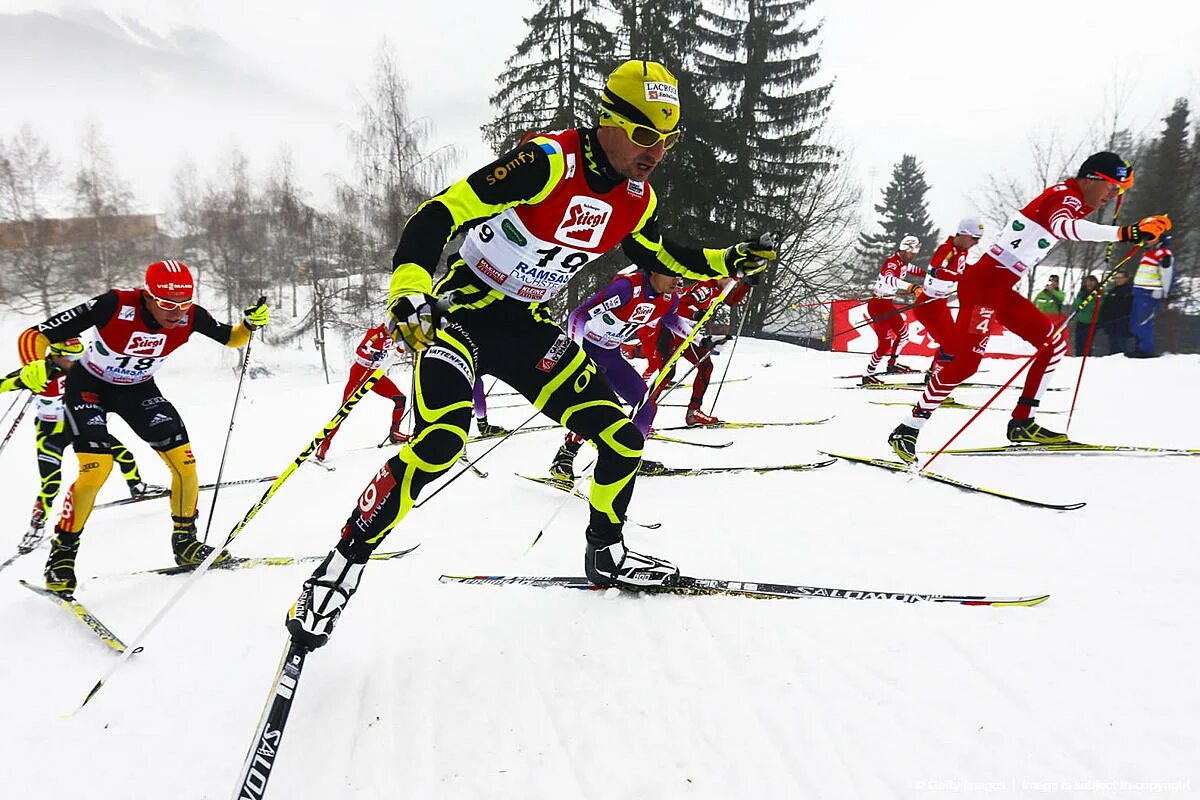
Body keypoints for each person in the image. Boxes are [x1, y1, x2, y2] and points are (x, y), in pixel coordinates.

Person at [285, 59, 775, 650]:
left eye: (667, 140)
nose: (656, 151)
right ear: (609, 121)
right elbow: (439, 213)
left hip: (524, 325)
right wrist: (409, 284)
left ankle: (607, 553)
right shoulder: (548, 162)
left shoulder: (636, 197)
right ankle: (336, 571)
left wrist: (727, 260)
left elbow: (655, 252)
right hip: (463, 312)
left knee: (622, 438)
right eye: (645, 134)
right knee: (441, 442)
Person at [887, 152, 1170, 462]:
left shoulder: (1078, 198)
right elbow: (1065, 227)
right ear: (1092, 178)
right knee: (967, 363)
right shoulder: (1064, 196)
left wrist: (1145, 228)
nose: (1112, 196)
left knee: (1053, 346)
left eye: (1118, 191)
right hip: (983, 286)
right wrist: (1125, 232)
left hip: (1000, 287)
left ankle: (1022, 422)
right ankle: (908, 428)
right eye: (1112, 188)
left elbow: (1080, 217)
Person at [16, 260, 270, 594]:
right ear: (147, 296)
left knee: (185, 464)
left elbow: (231, 338)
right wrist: (34, 366)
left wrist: (249, 325)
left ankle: (186, 544)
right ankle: (61, 556)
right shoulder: (114, 304)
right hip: (89, 386)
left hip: (138, 391)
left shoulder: (192, 316)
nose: (176, 312)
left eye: (183, 302)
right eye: (166, 304)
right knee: (96, 470)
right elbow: (33, 335)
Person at [548, 264, 686, 486]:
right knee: (598, 410)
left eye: (680, 276)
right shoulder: (626, 289)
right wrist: (578, 355)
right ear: (654, 272)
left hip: (612, 356)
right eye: (672, 275)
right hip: (589, 350)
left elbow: (671, 321)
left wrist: (701, 339)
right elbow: (578, 316)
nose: (677, 281)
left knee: (646, 407)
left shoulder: (669, 300)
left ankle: (629, 458)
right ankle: (565, 456)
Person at [26, 338, 161, 536]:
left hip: (81, 426)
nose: (76, 361)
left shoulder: (84, 373)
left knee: (124, 455)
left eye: (78, 356)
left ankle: (137, 487)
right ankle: (35, 528)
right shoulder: (38, 372)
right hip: (51, 434)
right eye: (72, 357)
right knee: (50, 484)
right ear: (56, 356)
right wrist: (26, 379)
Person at [638, 275, 751, 426]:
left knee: (705, 367)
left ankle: (694, 412)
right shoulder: (705, 288)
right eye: (731, 280)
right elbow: (679, 305)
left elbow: (731, 300)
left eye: (736, 282)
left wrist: (747, 285)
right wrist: (695, 314)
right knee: (667, 374)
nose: (734, 285)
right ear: (721, 277)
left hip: (688, 331)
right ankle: (642, 415)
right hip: (672, 330)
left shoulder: (720, 289)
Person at [315, 323, 408, 463]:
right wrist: (371, 355)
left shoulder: (397, 334)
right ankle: (324, 445)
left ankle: (394, 433)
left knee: (400, 399)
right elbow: (360, 349)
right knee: (344, 410)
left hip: (376, 374)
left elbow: (400, 349)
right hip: (360, 373)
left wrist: (409, 348)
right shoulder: (376, 333)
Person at [913, 218, 983, 376]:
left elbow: (962, 269)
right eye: (974, 238)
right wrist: (961, 278)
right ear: (964, 234)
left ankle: (934, 372)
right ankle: (938, 380)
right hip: (927, 306)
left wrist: (980, 273)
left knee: (955, 342)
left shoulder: (962, 251)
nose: (976, 243)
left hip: (940, 304)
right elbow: (937, 270)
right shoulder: (947, 249)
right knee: (951, 346)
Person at [861, 235, 922, 384]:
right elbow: (890, 278)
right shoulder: (892, 263)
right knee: (884, 344)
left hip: (888, 305)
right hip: (877, 306)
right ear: (906, 249)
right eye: (912, 253)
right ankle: (868, 374)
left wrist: (931, 275)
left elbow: (914, 269)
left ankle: (892, 365)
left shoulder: (904, 262)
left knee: (904, 335)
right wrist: (910, 287)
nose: (914, 256)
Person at [1130, 235, 1174, 357]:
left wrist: (1165, 292)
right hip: (1139, 291)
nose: (1147, 241)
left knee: (1144, 322)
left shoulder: (1164, 253)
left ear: (1158, 240)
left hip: (1150, 292)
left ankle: (1146, 350)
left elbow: (1167, 274)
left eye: (1151, 238)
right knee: (1135, 323)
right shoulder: (1148, 253)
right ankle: (1139, 347)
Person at [1098, 269, 1133, 356]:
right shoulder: (1112, 292)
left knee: (1122, 349)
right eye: (1117, 278)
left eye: (1121, 278)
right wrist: (1103, 321)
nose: (1118, 280)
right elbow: (1105, 307)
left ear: (1126, 279)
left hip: (1123, 325)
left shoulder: (1130, 291)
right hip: (1112, 326)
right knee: (1112, 349)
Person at [1070, 275, 1102, 356]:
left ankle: (1087, 357)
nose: (1090, 283)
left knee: (1088, 344)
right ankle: (1078, 357)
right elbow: (1076, 304)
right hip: (1081, 321)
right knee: (1079, 342)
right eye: (1088, 281)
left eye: (1092, 281)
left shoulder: (1099, 293)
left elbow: (1096, 306)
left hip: (1092, 322)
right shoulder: (1082, 292)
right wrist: (1083, 303)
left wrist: (1086, 304)